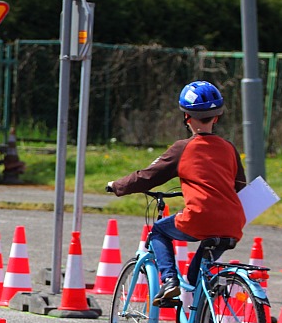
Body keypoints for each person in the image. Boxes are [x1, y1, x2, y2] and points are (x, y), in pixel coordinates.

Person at [106, 81, 247, 311]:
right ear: (217, 117)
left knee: (159, 231)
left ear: (186, 117)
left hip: (200, 218)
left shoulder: (184, 147)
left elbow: (149, 176)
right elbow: (240, 185)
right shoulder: (229, 148)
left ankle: (169, 280)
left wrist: (117, 185)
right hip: (232, 223)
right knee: (197, 279)